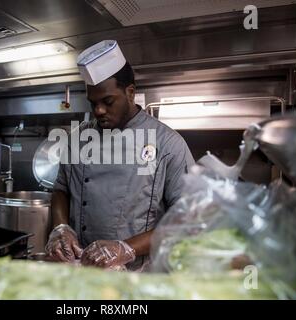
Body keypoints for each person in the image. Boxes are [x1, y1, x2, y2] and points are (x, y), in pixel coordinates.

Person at [45, 40, 195, 271]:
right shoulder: (78, 139)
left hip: (136, 275)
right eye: (93, 103)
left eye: (108, 101)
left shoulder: (167, 144)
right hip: (80, 270)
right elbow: (61, 189)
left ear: (131, 92)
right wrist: (61, 227)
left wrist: (126, 248)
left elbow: (188, 220)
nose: (98, 111)